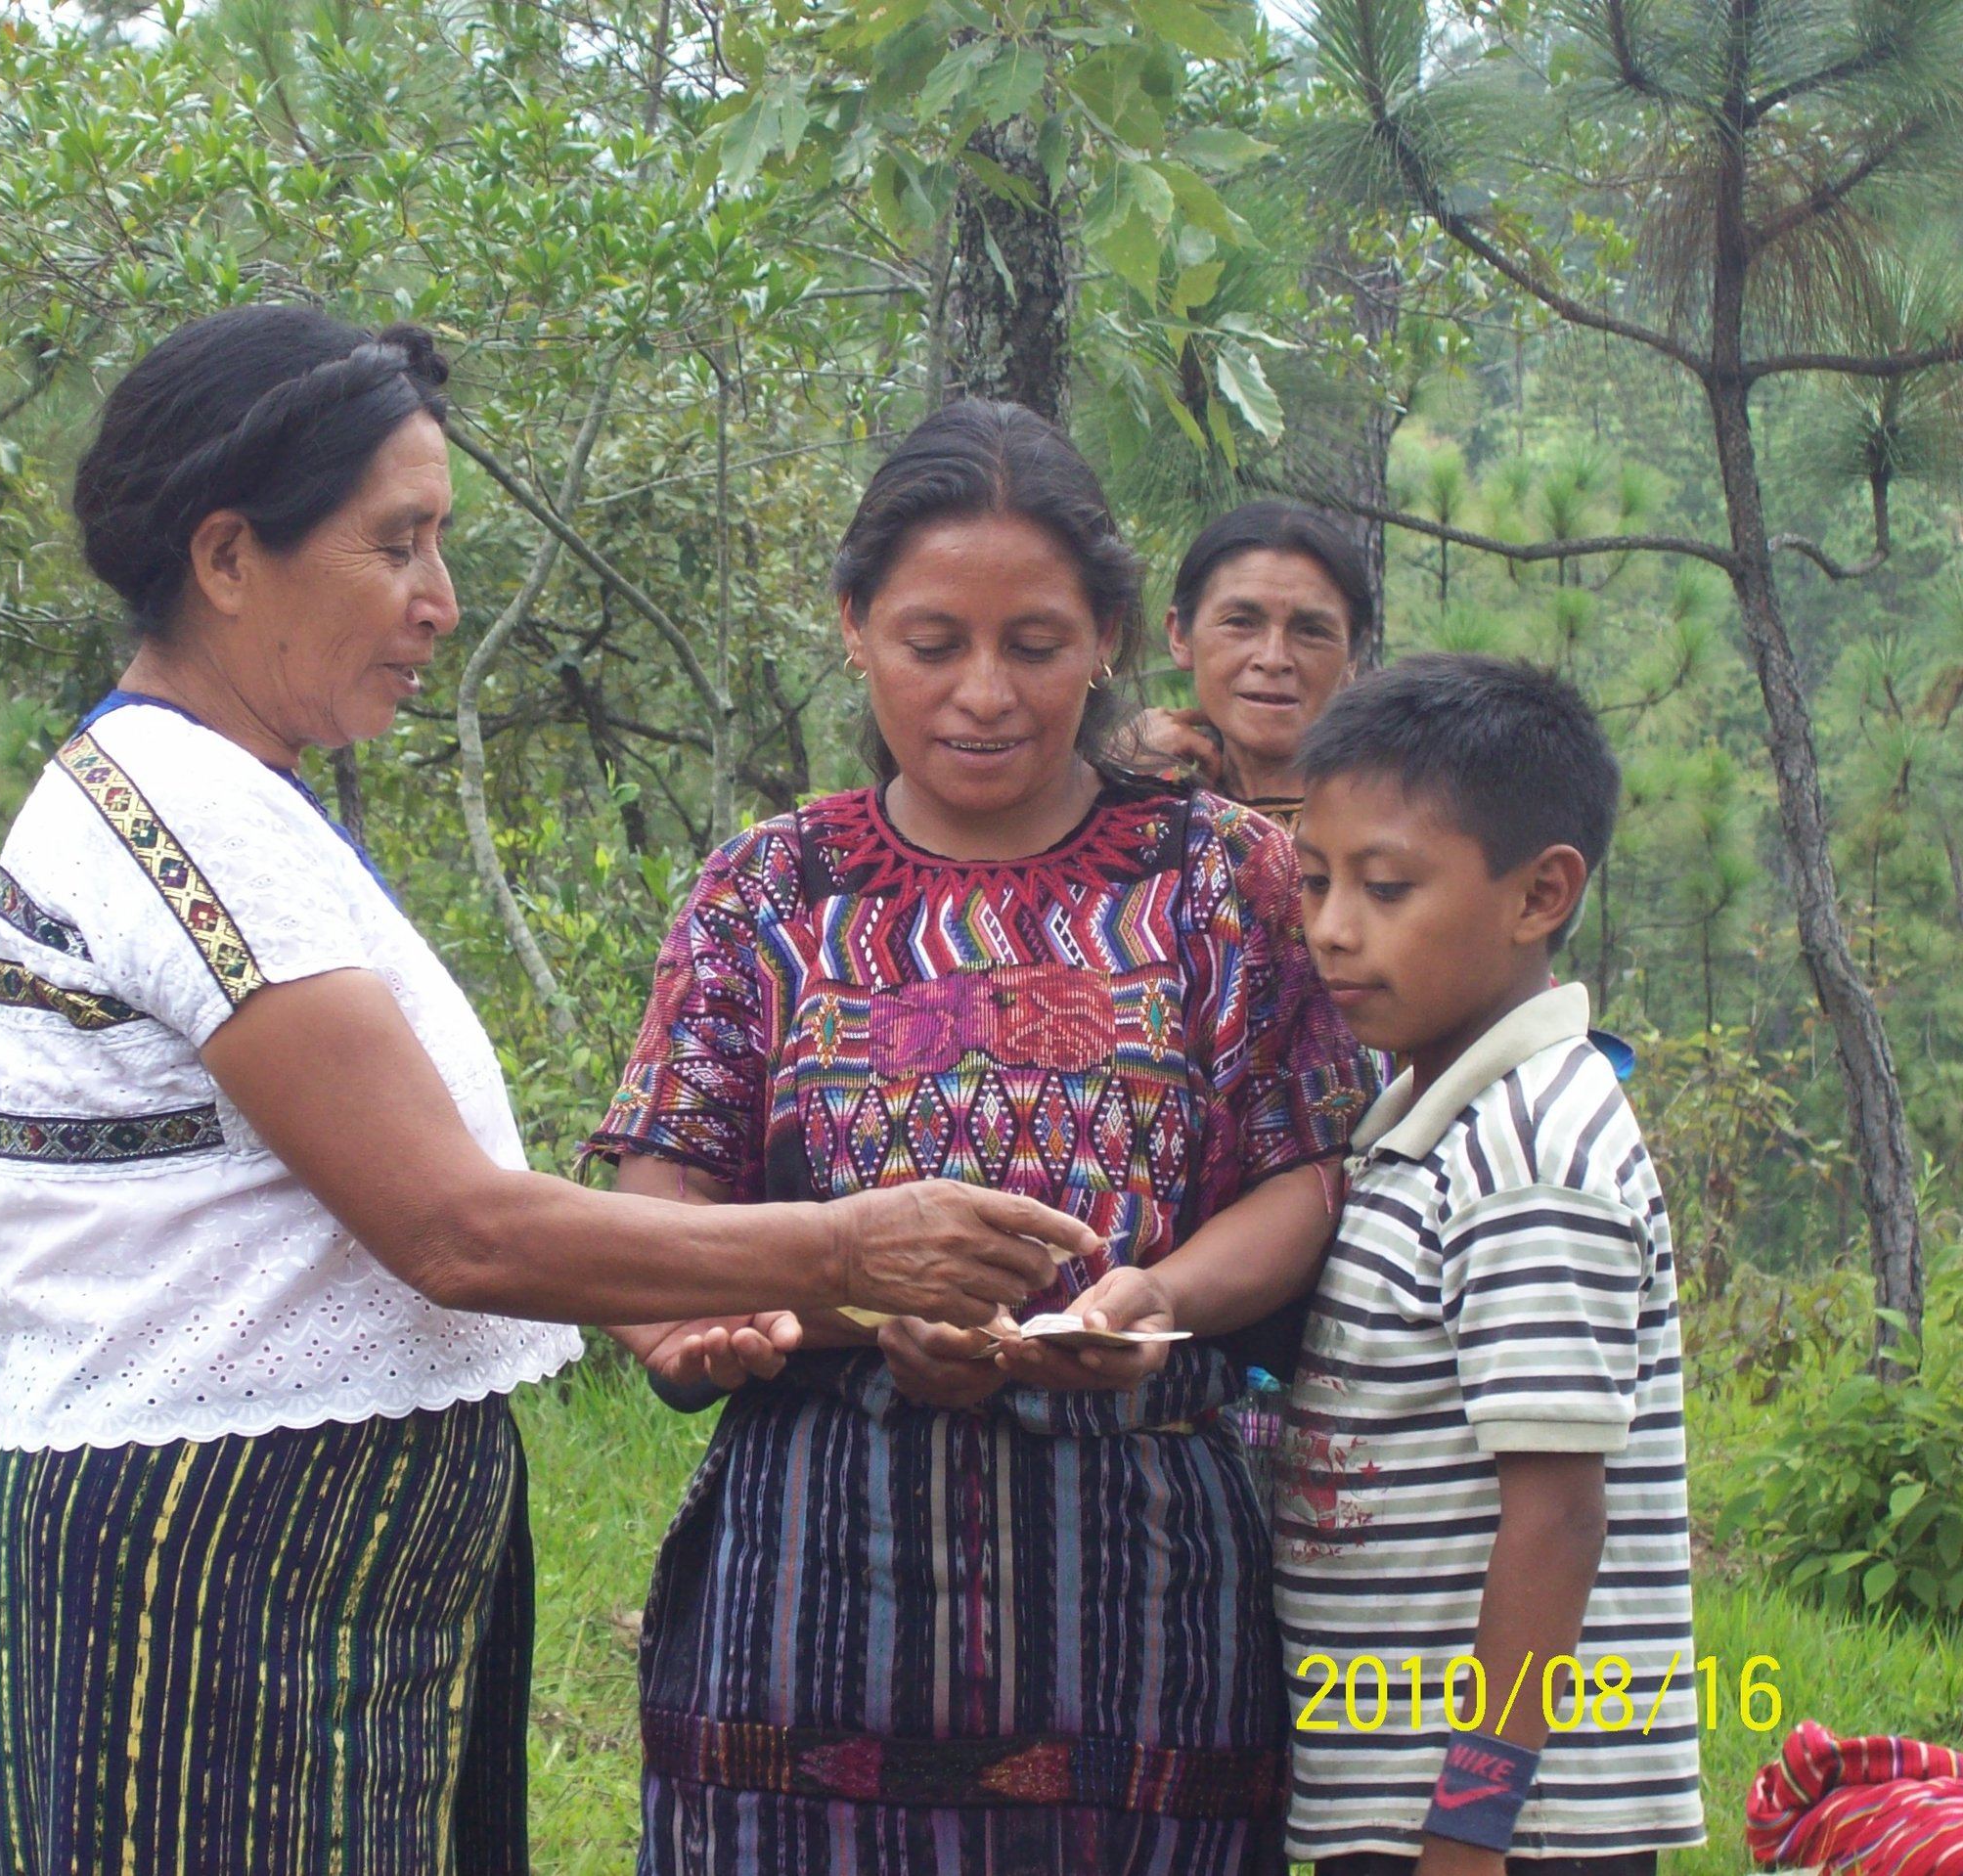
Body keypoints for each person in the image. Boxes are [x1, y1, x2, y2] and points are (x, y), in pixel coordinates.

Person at [0, 306, 1096, 1876]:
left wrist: (678, 1294)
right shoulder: (180, 814)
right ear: (228, 556)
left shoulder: (237, 801)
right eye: (399, 542)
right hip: (223, 1560)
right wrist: (841, 1251)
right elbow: (451, 1228)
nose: (438, 601)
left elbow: (384, 1218)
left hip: (320, 1552)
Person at [587, 400, 1378, 1874]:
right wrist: (801, 1315)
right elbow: (665, 1188)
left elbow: (1300, 1171)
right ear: (852, 627)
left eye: (1035, 644)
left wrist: (1151, 1299)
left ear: (1109, 639)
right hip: (807, 1583)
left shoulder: (1225, 878)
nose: (985, 695)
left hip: (1142, 1592)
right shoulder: (766, 891)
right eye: (931, 642)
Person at [1263, 655, 1702, 1872]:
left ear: (1538, 893)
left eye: (1387, 886)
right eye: (1314, 881)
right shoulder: (1428, 1116)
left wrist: (1471, 1822)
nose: (1333, 928)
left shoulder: (1526, 1154)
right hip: (1410, 1794)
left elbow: (1557, 1516)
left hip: (1513, 1829)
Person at [1118, 502, 1373, 832]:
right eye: (1240, 623)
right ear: (1180, 636)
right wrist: (1110, 777)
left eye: (1311, 631)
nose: (1273, 658)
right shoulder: (1136, 787)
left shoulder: (1399, 812)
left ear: (1352, 658)